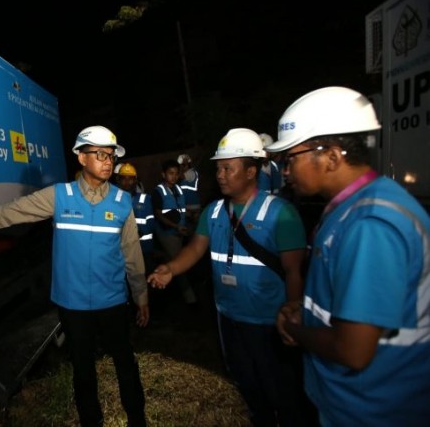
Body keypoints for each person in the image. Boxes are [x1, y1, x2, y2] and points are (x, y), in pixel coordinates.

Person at [0, 125, 150, 427]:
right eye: (100, 154)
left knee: (125, 363)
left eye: (111, 156)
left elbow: (132, 252)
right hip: (73, 305)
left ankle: (137, 419)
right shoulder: (59, 196)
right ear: (81, 157)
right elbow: (10, 212)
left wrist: (140, 295)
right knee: (83, 369)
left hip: (113, 301)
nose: (108, 162)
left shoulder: (121, 201)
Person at [270, 86, 430, 427]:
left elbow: (353, 350)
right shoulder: (351, 209)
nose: (284, 170)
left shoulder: (370, 224)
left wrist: (294, 330)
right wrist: (309, 312)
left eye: (290, 158)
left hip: (375, 409)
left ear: (331, 155)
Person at [148, 128, 310, 427]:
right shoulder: (213, 211)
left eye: (227, 168)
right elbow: (196, 249)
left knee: (281, 391)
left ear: (251, 171)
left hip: (269, 323)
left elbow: (293, 271)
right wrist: (170, 269)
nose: (220, 175)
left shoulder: (281, 213)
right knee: (247, 385)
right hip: (228, 317)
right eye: (218, 168)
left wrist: (294, 311)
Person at [151, 159, 197, 304]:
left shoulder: (178, 189)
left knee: (174, 261)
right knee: (179, 264)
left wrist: (190, 214)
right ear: (163, 174)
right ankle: (191, 300)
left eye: (176, 174)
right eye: (170, 173)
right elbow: (158, 215)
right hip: (167, 233)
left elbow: (179, 209)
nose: (174, 176)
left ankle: (168, 295)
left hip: (180, 231)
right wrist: (175, 227)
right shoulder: (158, 191)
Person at [115, 162, 156, 272]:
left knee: (147, 278)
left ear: (136, 180)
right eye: (124, 178)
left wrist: (138, 233)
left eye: (131, 179)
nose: (127, 182)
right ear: (118, 180)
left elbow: (151, 223)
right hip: (123, 250)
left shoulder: (145, 198)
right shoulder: (113, 201)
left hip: (144, 248)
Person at [177, 153, 201, 231]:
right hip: (189, 206)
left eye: (182, 165)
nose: (181, 167)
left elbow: (179, 176)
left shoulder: (191, 173)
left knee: (195, 230)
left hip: (193, 206)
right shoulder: (188, 173)